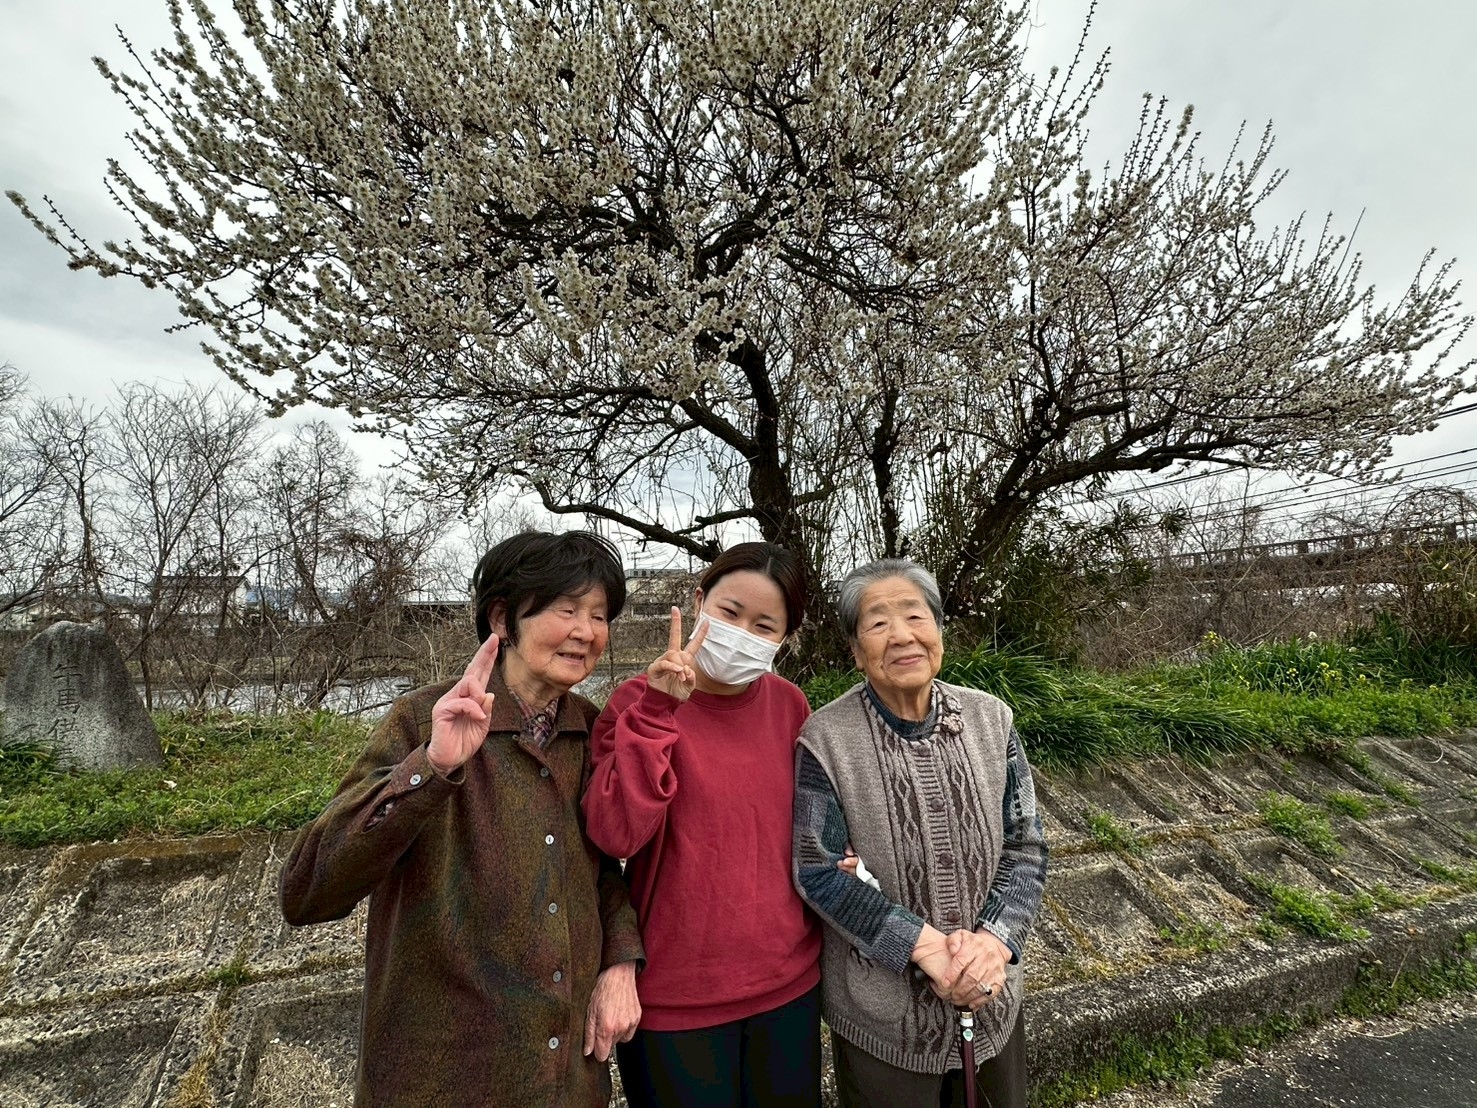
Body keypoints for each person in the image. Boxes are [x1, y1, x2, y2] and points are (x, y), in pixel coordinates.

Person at [279, 531, 645, 1108]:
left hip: (564, 1076)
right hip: (441, 1074)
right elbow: (306, 892)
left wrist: (621, 961)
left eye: (600, 615)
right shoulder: (425, 718)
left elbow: (602, 867)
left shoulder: (588, 729)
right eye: (567, 609)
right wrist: (431, 766)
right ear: (502, 618)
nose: (587, 631)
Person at [791, 558, 1048, 1108]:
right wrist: (924, 947)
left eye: (915, 616)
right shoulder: (826, 739)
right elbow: (817, 870)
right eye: (878, 624)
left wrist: (993, 943)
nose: (902, 635)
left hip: (992, 995)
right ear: (857, 651)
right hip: (884, 1022)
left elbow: (1025, 843)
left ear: (938, 631)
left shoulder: (991, 719)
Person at [582, 542, 822, 1108]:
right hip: (674, 1000)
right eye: (730, 612)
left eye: (765, 625)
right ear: (697, 601)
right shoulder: (635, 703)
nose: (742, 633)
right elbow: (616, 834)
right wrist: (660, 711)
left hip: (788, 987)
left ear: (784, 639)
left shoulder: (790, 706)